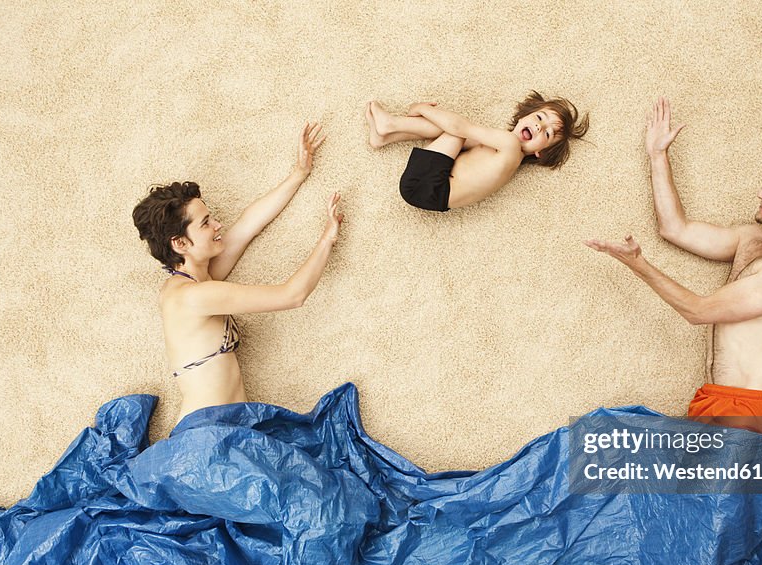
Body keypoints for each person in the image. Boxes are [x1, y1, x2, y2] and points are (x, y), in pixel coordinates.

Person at [586, 98, 762, 435]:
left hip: (752, 413)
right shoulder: (754, 239)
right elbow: (675, 228)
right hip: (713, 401)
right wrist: (658, 155)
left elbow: (698, 311)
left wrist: (637, 264)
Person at [133, 123, 344, 425]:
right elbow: (292, 295)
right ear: (180, 244)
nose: (218, 225)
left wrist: (299, 173)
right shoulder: (194, 296)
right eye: (206, 223)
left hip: (231, 432)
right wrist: (326, 240)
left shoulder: (197, 278)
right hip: (209, 439)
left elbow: (248, 225)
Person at [365, 91, 589, 211]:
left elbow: (458, 127)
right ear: (524, 117)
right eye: (540, 118)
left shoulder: (510, 145)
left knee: (458, 130)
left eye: (547, 135)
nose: (541, 127)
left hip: (429, 185)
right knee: (460, 136)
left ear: (540, 152)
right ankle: (384, 136)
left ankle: (390, 124)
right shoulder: (501, 153)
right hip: (432, 195)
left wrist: (420, 108)